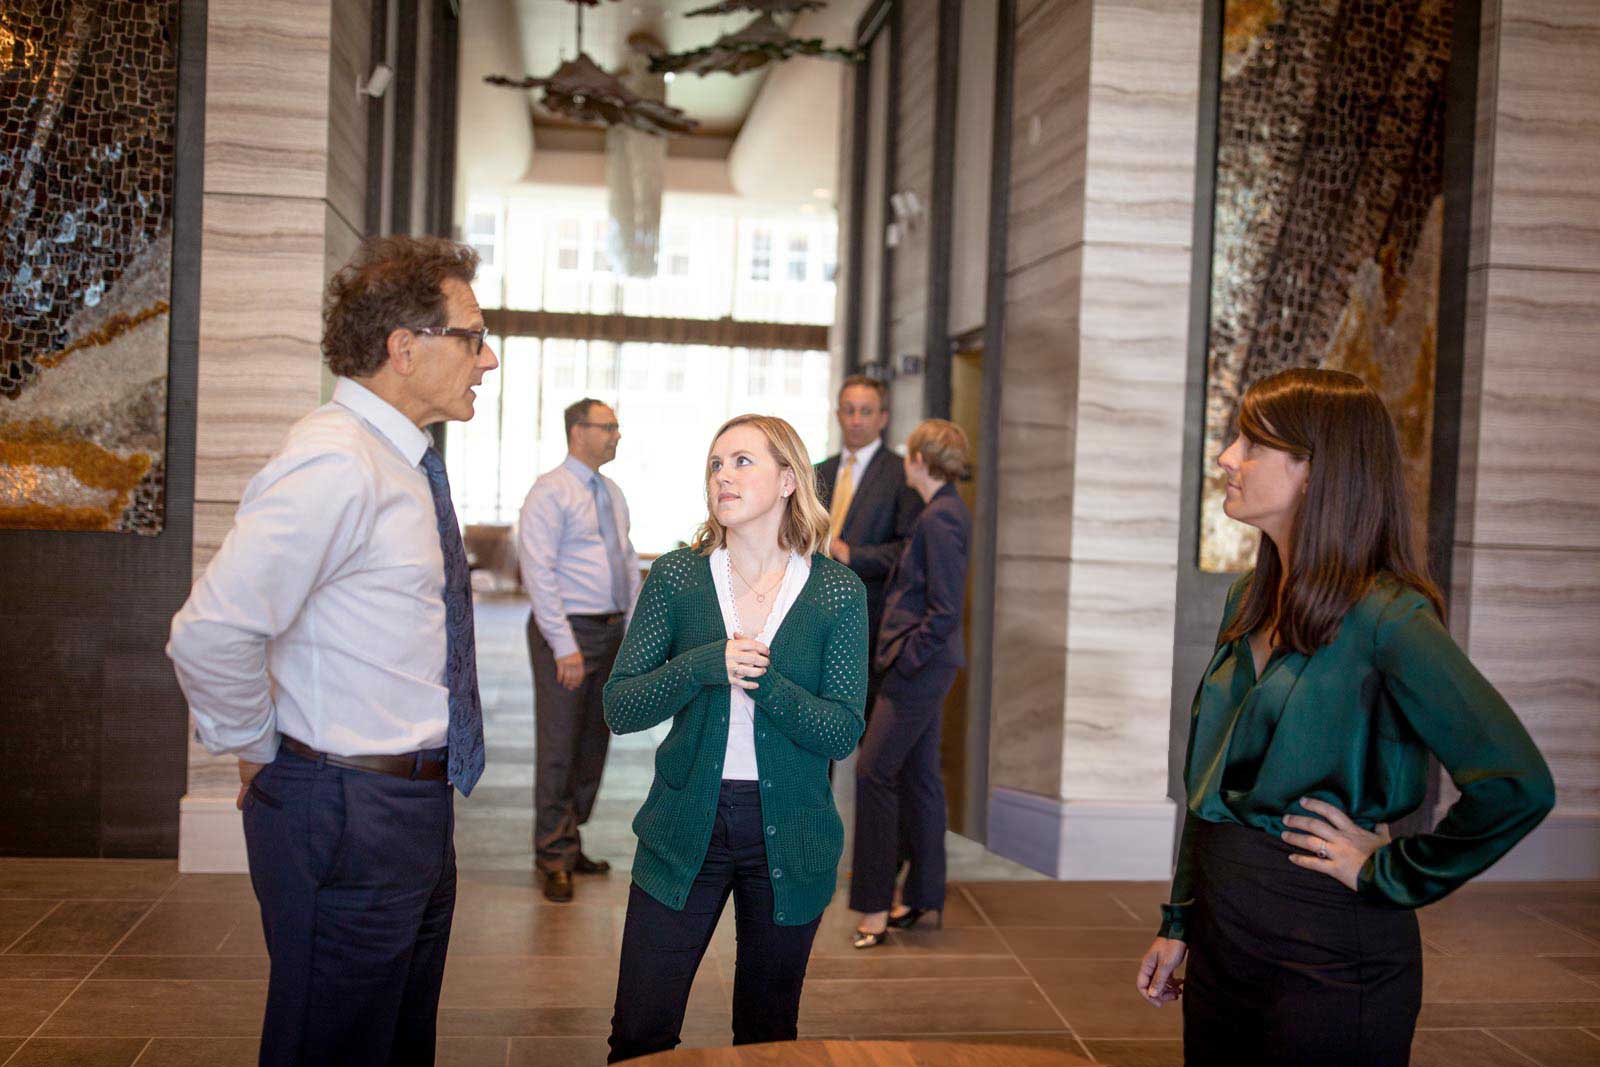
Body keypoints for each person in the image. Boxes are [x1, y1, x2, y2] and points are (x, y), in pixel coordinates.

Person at [1135, 368, 1555, 1067]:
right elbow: (1210, 784)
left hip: (1328, 952)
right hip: (1225, 938)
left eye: (1252, 442)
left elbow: (1519, 784)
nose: (1226, 458)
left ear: (1315, 469)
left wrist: (1393, 869)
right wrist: (1180, 920)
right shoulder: (1250, 596)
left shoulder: (1390, 615)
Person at [167, 235, 496, 1067]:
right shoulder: (335, 459)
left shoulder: (397, 461)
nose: (487, 361)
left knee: (392, 1039)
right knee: (334, 1043)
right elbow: (212, 631)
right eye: (474, 336)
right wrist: (253, 747)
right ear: (405, 346)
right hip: (348, 805)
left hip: (409, 802)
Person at [602, 414, 868, 1063]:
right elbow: (620, 705)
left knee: (767, 1037)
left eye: (743, 461)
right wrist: (704, 664)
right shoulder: (678, 577)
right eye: (716, 463)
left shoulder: (836, 590)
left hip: (793, 832)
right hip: (683, 823)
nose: (724, 474)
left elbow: (841, 729)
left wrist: (764, 680)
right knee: (640, 1032)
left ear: (786, 479)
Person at [849, 420, 973, 948]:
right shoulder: (938, 511)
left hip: (917, 669)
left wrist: (905, 657)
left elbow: (944, 611)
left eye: (908, 451)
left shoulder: (940, 518)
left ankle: (874, 907)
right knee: (920, 777)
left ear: (920, 457)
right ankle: (923, 893)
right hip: (923, 665)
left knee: (873, 772)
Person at [517, 397, 641, 902]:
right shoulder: (550, 492)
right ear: (577, 431)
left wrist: (635, 626)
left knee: (594, 744)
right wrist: (563, 645)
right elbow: (538, 571)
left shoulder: (611, 491)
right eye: (607, 427)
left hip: (610, 632)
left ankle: (571, 839)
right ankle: (553, 855)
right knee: (560, 747)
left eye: (617, 427)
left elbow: (625, 558)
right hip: (568, 633)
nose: (616, 435)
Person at [815, 375, 923, 714]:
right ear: (837, 414)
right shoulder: (819, 471)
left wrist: (853, 555)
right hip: (815, 614)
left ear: (883, 417)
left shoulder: (900, 474)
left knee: (869, 730)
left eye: (866, 411)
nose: (856, 420)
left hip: (872, 619)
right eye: (849, 410)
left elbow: (909, 550)